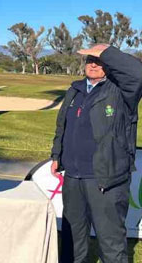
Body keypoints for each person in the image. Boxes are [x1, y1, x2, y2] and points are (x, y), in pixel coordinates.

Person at [51, 44, 142, 263]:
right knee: (73, 240)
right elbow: (63, 124)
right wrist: (56, 154)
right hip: (73, 177)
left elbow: (138, 74)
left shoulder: (122, 91)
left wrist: (107, 51)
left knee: (111, 243)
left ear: (109, 65)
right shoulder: (76, 89)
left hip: (106, 179)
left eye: (99, 61)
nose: (93, 64)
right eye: (90, 60)